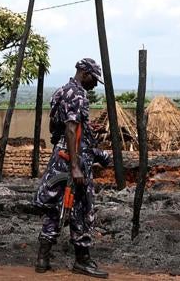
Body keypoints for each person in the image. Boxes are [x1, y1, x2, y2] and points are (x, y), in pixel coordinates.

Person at [34, 58, 110, 279]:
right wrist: (76, 166)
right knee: (82, 209)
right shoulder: (78, 94)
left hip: (60, 157)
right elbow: (70, 128)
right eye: (93, 79)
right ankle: (82, 261)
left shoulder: (60, 91)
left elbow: (54, 128)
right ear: (84, 73)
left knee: (55, 207)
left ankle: (42, 259)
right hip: (73, 159)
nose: (94, 85)